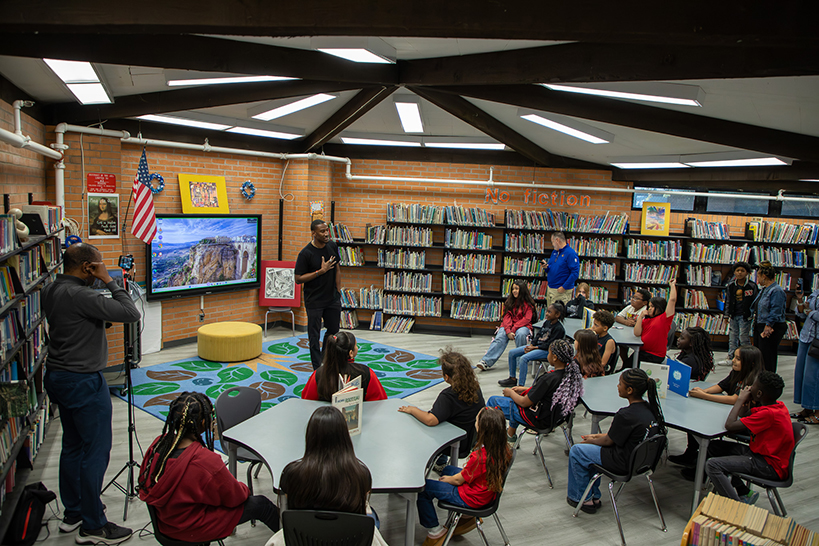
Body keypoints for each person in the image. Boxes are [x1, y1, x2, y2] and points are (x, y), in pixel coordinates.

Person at [42, 243, 140, 544]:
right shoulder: (81, 295)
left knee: (72, 447)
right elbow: (130, 312)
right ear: (87, 267)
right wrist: (111, 281)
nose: (102, 269)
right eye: (98, 265)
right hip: (83, 380)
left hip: (58, 376)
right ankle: (93, 525)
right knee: (96, 451)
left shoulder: (52, 289)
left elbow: (80, 322)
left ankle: (73, 514)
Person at [138, 392, 280, 542]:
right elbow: (236, 497)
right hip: (192, 528)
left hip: (165, 524)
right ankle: (295, 539)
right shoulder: (204, 461)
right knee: (261, 505)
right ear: (204, 424)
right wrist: (244, 488)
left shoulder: (157, 445)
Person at [268, 406, 387, 546]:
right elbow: (362, 504)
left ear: (310, 435)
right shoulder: (361, 474)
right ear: (344, 436)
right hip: (350, 538)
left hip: (304, 538)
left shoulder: (291, 473)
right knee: (373, 517)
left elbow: (291, 505)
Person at [566, 368, 666, 514]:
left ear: (630, 390)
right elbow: (618, 436)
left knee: (577, 451)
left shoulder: (625, 415)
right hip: (641, 463)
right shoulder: (651, 409)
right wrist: (595, 437)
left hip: (622, 463)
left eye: (620, 384)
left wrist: (591, 441)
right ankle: (594, 496)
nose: (617, 386)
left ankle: (582, 498)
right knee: (589, 451)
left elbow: (608, 442)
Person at [415, 407, 513, 546]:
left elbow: (458, 479)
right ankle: (467, 517)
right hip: (486, 492)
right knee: (447, 469)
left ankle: (435, 531)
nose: (475, 420)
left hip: (471, 497)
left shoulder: (479, 457)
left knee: (424, 489)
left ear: (481, 428)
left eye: (477, 419)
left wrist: (446, 480)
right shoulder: (502, 448)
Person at [704, 371, 795, 503]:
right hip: (761, 455)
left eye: (753, 386)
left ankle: (736, 506)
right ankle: (743, 491)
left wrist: (740, 399)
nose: (750, 387)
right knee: (713, 446)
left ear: (759, 394)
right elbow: (743, 416)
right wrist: (745, 401)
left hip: (768, 465)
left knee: (713, 465)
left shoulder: (768, 414)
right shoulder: (776, 406)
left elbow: (730, 425)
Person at [669, 345, 764, 468]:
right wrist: (704, 391)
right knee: (694, 416)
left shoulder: (754, 381)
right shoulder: (736, 371)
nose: (733, 360)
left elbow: (734, 399)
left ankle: (699, 462)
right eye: (734, 357)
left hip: (743, 422)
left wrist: (703, 396)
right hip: (730, 413)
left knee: (700, 421)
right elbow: (721, 386)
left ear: (750, 363)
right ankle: (692, 454)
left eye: (738, 359)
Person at [487, 339, 584, 443]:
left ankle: (490, 440)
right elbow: (547, 392)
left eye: (549, 352)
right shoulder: (571, 376)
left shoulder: (548, 378)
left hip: (538, 419)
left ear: (555, 358)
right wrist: (525, 389)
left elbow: (524, 403)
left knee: (493, 401)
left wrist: (510, 393)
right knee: (515, 401)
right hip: (554, 418)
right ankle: (510, 434)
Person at [399, 348, 485, 462]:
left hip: (453, 441)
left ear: (446, 377)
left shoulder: (448, 396)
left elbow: (431, 420)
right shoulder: (475, 387)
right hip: (470, 438)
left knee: (420, 425)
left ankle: (439, 461)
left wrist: (413, 410)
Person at [295, 219, 343, 370]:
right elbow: (298, 279)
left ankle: (325, 359)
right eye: (322, 231)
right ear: (314, 233)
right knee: (314, 337)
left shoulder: (332, 246)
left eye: (327, 230)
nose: (326, 233)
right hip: (314, 300)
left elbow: (337, 269)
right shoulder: (305, 253)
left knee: (333, 331)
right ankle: (317, 368)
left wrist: (338, 289)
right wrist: (320, 272)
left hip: (332, 298)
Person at [300, 331, 387, 402]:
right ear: (351, 353)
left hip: (326, 420)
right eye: (356, 345)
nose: (357, 347)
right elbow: (380, 400)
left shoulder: (319, 373)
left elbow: (306, 400)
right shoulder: (366, 372)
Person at [500, 301, 566, 387]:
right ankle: (512, 378)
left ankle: (521, 386)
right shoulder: (547, 323)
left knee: (523, 359)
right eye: (547, 311)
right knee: (512, 353)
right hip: (536, 347)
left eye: (549, 312)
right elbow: (538, 335)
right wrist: (532, 345)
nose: (546, 314)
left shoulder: (559, 329)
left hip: (546, 351)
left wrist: (535, 348)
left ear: (557, 315)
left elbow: (550, 345)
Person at [476, 280, 535, 371]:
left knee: (521, 334)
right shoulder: (509, 301)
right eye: (513, 289)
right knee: (500, 336)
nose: (514, 291)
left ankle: (520, 363)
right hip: (508, 325)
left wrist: (514, 329)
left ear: (522, 290)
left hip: (523, 325)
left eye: (516, 289)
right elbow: (506, 317)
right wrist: (508, 330)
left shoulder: (529, 304)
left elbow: (527, 319)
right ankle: (486, 361)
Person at [632, 278, 677, 365]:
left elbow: (672, 300)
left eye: (652, 307)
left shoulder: (664, 318)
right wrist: (640, 317)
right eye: (649, 306)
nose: (649, 309)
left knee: (631, 365)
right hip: (643, 352)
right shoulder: (647, 319)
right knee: (628, 364)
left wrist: (672, 285)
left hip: (654, 355)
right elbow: (637, 333)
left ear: (659, 308)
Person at [752, 262, 787, 372]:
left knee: (767, 357)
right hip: (759, 325)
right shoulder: (764, 289)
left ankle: (768, 381)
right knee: (759, 356)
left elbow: (776, 310)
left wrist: (768, 324)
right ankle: (759, 379)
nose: (757, 279)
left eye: (758, 276)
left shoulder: (776, 290)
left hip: (771, 326)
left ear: (764, 276)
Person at [793, 285, 819, 424]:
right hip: (806, 337)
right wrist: (800, 301)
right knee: (801, 375)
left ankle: (817, 412)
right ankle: (807, 408)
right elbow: (801, 314)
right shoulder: (816, 292)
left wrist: (810, 312)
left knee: (814, 377)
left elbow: (811, 314)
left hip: (817, 341)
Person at [723, 261, 758, 366]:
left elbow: (756, 301)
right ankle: (731, 356)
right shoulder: (731, 286)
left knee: (743, 337)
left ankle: (746, 357)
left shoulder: (752, 286)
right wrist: (726, 315)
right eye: (737, 270)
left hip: (745, 316)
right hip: (734, 315)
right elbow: (728, 301)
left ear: (747, 273)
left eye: (742, 271)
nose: (739, 273)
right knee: (732, 336)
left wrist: (754, 314)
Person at [541, 231, 579, 306]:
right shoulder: (554, 252)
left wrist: (564, 287)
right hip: (551, 288)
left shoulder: (570, 253)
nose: (552, 244)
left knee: (559, 314)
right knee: (551, 313)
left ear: (557, 240)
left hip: (561, 291)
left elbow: (575, 273)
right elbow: (552, 267)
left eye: (552, 242)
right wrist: (546, 267)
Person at [615, 288, 651, 368]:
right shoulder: (630, 307)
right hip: (628, 334)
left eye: (636, 298)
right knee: (621, 345)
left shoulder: (645, 311)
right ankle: (626, 363)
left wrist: (634, 323)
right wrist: (626, 322)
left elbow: (642, 325)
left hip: (638, 337)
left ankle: (628, 365)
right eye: (633, 297)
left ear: (645, 302)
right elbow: (617, 317)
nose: (633, 300)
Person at [591, 310, 618, 374]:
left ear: (605, 328)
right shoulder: (596, 336)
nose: (593, 327)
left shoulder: (609, 342)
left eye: (596, 325)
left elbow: (602, 363)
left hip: (599, 370)